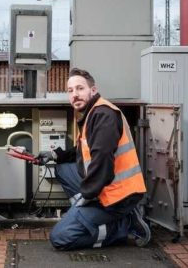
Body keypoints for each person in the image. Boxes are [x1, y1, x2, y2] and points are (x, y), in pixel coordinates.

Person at [36, 67, 151, 250]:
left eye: (80, 88)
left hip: (118, 196)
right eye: (70, 90)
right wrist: (55, 155)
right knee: (62, 168)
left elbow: (102, 162)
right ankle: (89, 216)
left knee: (60, 238)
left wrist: (87, 196)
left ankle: (123, 226)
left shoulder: (103, 115)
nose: (75, 94)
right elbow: (85, 149)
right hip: (107, 186)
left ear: (93, 90)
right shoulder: (92, 113)